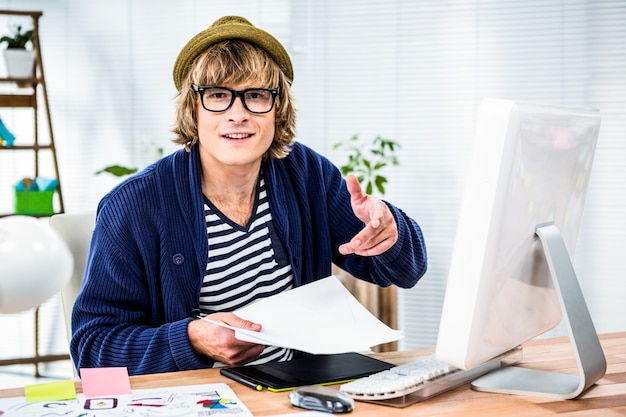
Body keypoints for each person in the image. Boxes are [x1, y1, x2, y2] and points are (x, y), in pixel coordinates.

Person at [70, 16, 427, 376]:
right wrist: (191, 338)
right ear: (193, 109)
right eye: (218, 96)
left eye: (255, 96)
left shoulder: (306, 173)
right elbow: (93, 348)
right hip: (197, 399)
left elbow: (405, 271)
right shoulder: (133, 206)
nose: (237, 115)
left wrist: (391, 233)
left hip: (297, 391)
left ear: (277, 109)